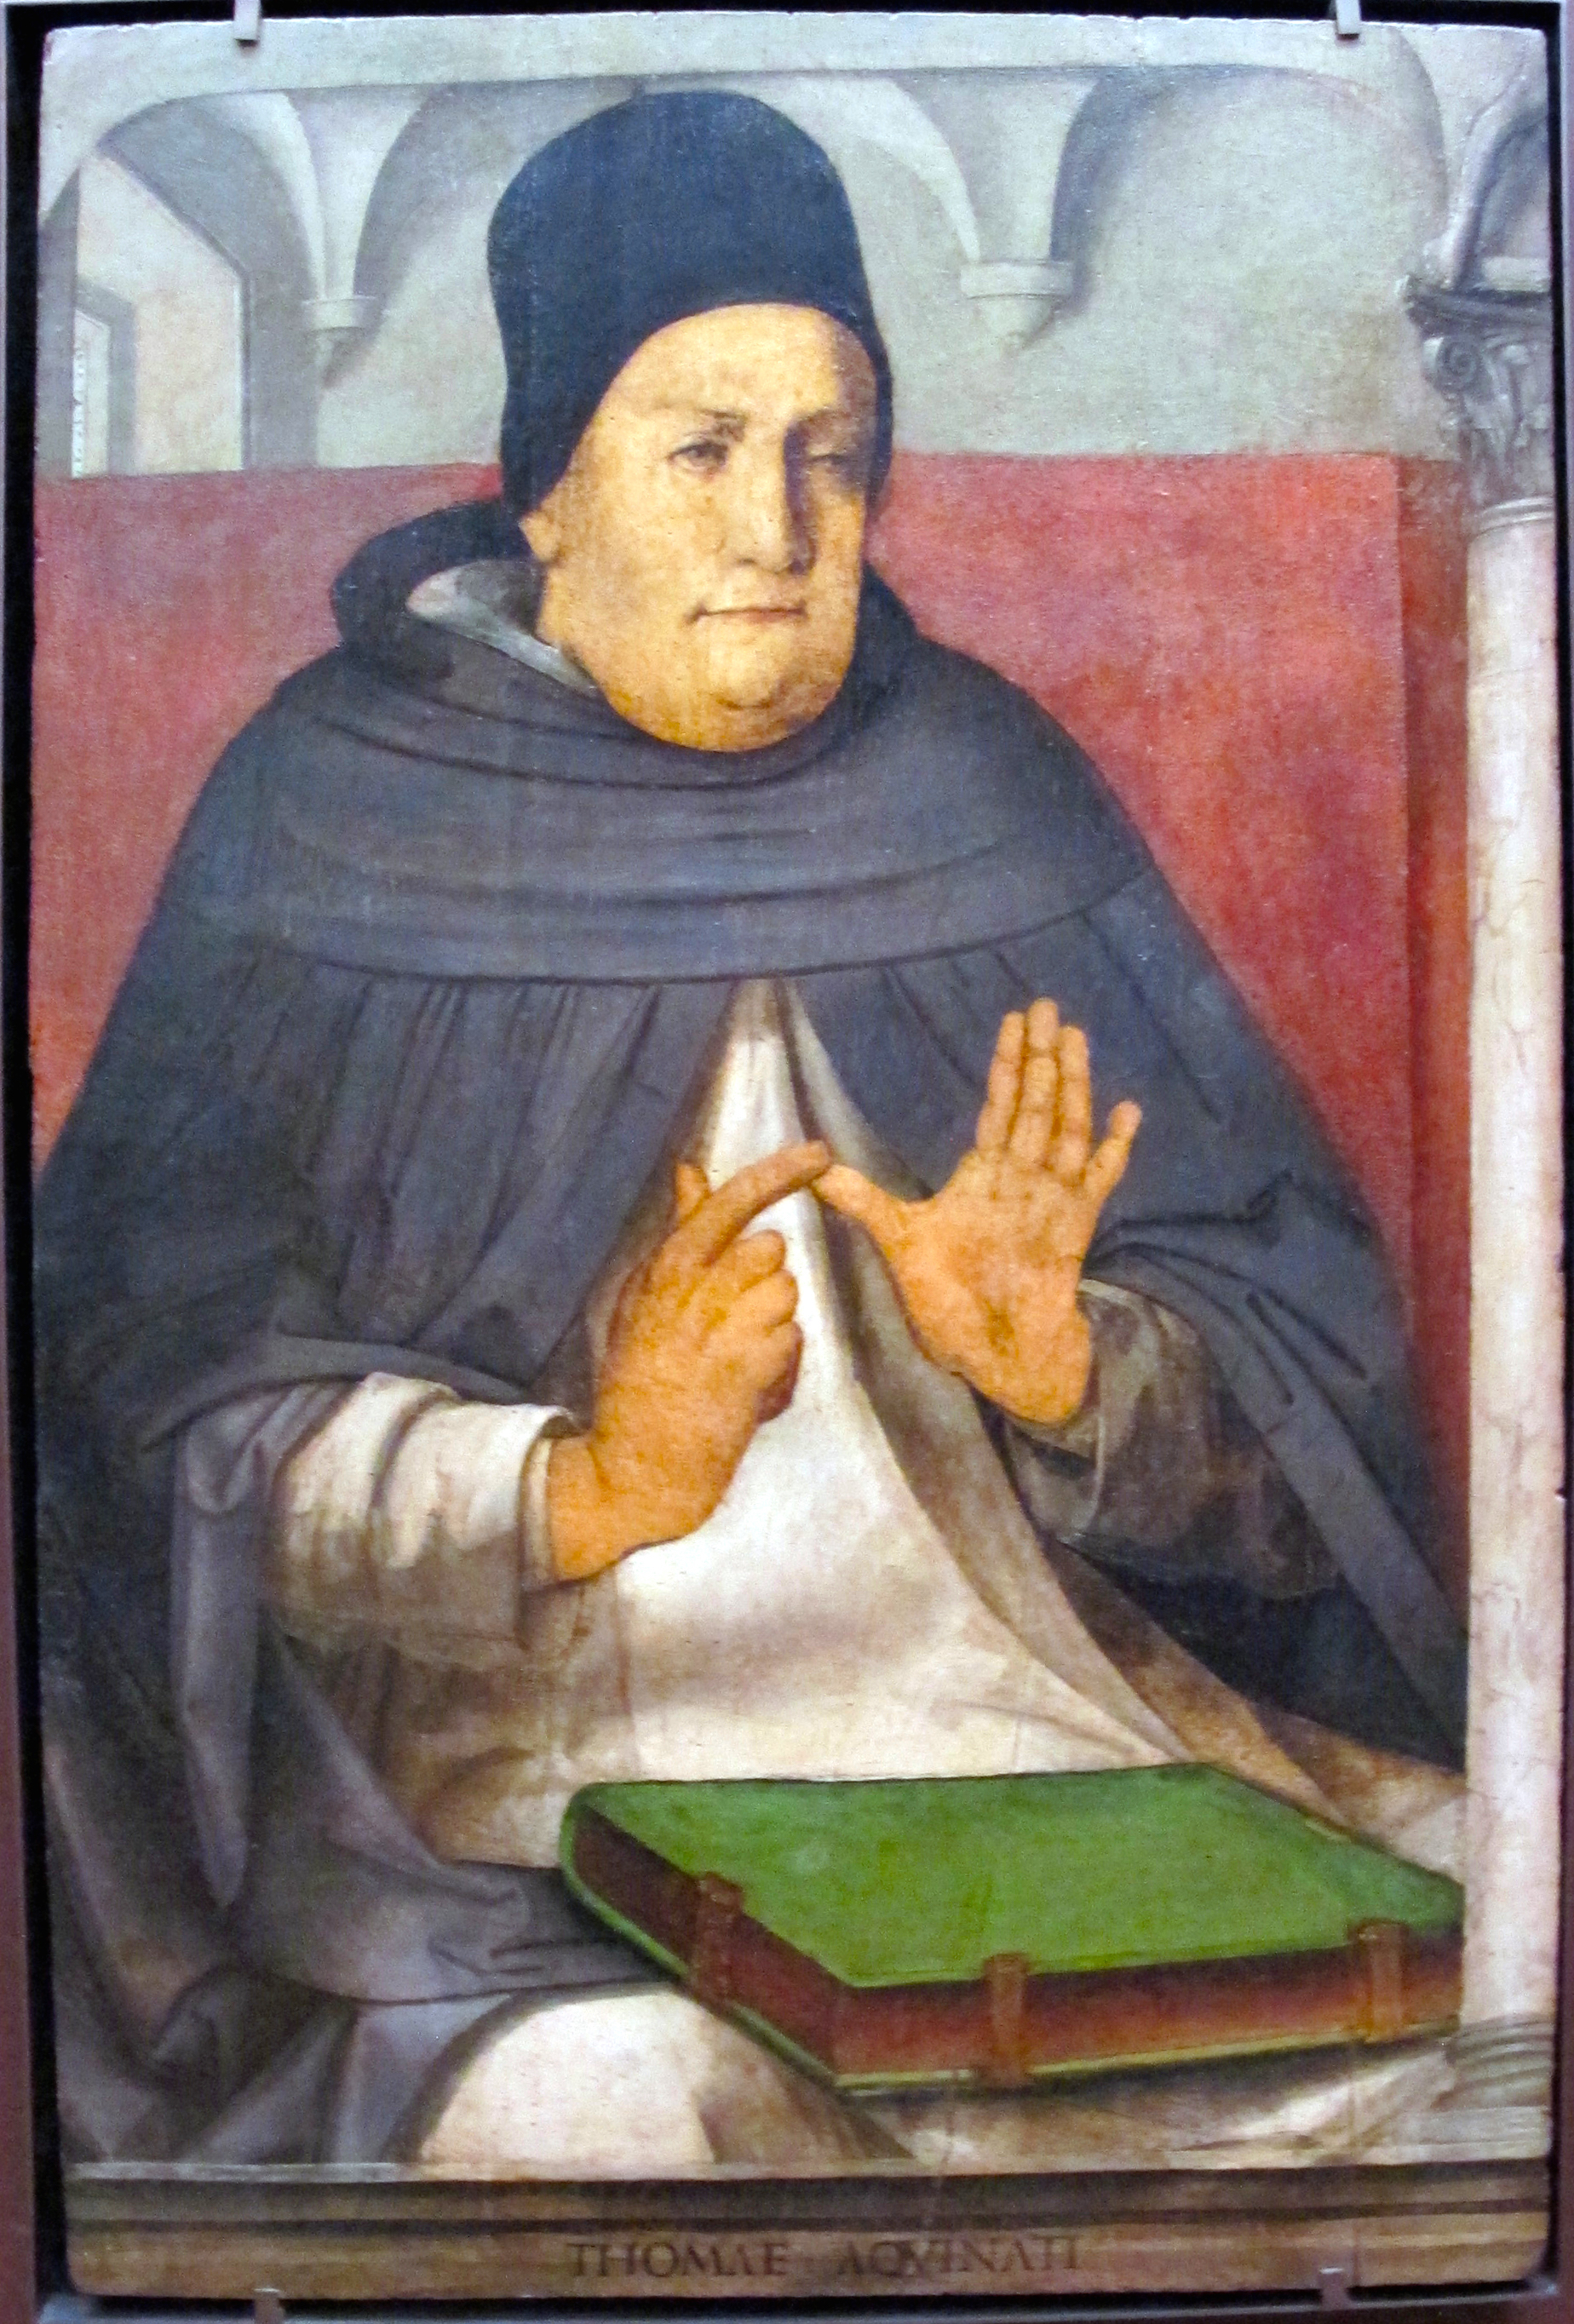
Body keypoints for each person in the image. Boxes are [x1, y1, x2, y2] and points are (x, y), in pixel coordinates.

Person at [35, 91, 1466, 2169]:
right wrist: (580, 1487)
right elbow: (137, 1424)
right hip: (511, 1821)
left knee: (1489, 1948)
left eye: (832, 454)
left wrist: (1071, 1376)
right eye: (701, 451)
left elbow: (1307, 1380)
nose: (779, 532)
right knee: (638, 2119)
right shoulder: (330, 816)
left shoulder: (981, 792)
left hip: (1037, 1728)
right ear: (548, 494)